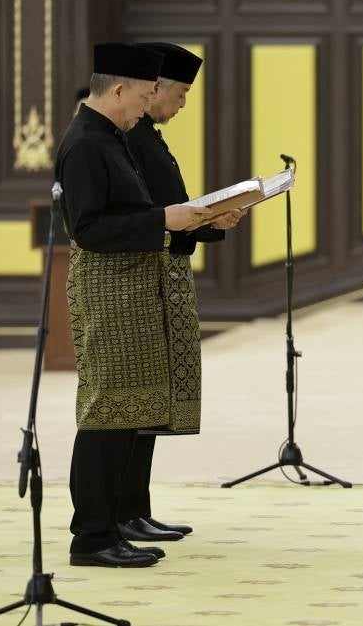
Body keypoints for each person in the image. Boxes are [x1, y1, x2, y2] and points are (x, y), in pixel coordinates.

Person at [55, 42, 213, 567]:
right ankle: (93, 537)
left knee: (132, 409)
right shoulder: (85, 143)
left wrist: (181, 220)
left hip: (133, 289)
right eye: (146, 94)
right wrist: (163, 221)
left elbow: (136, 210)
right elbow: (88, 230)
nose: (149, 105)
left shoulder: (113, 138)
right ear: (118, 89)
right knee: (106, 413)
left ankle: (116, 522)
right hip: (109, 294)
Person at [116, 42, 245, 543]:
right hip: (141, 277)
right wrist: (203, 219)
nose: (182, 104)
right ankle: (123, 512)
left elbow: (172, 212)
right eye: (181, 93)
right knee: (135, 400)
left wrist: (214, 220)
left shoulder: (146, 136)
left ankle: (135, 508)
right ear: (155, 90)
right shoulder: (129, 139)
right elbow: (151, 215)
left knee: (152, 400)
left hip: (166, 267)